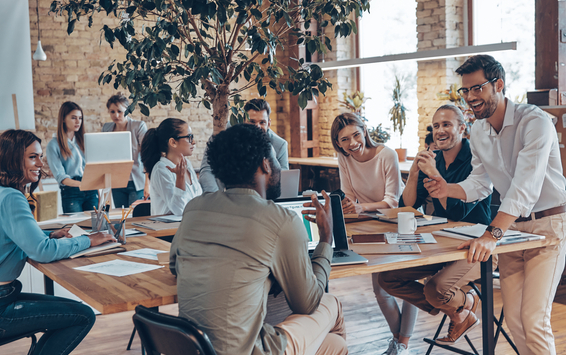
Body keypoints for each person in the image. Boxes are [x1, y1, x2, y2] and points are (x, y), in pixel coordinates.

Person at [423, 55, 566, 355]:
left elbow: (524, 187)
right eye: (465, 91)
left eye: (477, 89)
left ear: (498, 85)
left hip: (549, 227)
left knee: (534, 318)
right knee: (515, 321)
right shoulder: (478, 131)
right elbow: (480, 183)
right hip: (514, 230)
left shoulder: (534, 122)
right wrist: (448, 188)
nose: (470, 97)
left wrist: (491, 235)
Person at [170, 124, 347, 355]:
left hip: (195, 348)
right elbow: (307, 303)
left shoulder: (194, 209)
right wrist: (325, 238)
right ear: (265, 163)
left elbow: (175, 266)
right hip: (250, 351)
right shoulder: (280, 220)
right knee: (330, 303)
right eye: (274, 161)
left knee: (336, 347)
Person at [0, 130, 116, 355]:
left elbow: (17, 241)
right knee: (83, 316)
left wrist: (50, 236)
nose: (40, 164)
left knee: (74, 312)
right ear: (13, 158)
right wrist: (88, 240)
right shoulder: (11, 197)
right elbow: (42, 252)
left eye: (40, 156)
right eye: (33, 157)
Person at [378, 104, 493, 344]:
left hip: (476, 246)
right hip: (442, 242)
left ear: (462, 128)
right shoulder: (435, 159)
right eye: (437, 126)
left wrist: (433, 174)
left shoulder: (477, 161)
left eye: (447, 125)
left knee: (435, 290)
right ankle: (460, 309)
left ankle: (463, 303)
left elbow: (457, 212)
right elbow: (408, 206)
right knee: (387, 279)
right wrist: (413, 174)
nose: (440, 130)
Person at [330, 112, 413, 355]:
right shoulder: (344, 158)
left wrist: (359, 207)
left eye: (356, 135)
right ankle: (398, 341)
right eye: (344, 140)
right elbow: (348, 194)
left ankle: (403, 344)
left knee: (407, 285)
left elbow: (392, 201)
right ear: (338, 143)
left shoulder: (386, 155)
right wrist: (344, 205)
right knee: (380, 290)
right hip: (369, 224)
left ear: (364, 131)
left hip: (398, 223)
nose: (352, 143)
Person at [199, 98, 289, 193]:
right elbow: (207, 168)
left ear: (269, 124)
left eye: (262, 122)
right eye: (252, 122)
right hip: (225, 194)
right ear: (242, 121)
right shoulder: (225, 131)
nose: (257, 127)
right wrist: (214, 197)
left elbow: (281, 179)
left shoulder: (280, 145)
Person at [141, 118, 202, 216]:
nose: (193, 142)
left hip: (191, 225)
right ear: (173, 142)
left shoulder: (188, 164)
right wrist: (180, 179)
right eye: (189, 137)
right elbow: (179, 210)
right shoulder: (161, 169)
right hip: (170, 230)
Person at [46, 101, 98, 212]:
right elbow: (60, 176)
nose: (78, 121)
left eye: (80, 118)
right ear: (63, 119)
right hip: (71, 191)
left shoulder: (84, 141)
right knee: (76, 227)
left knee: (95, 225)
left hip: (91, 189)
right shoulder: (53, 145)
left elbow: (93, 166)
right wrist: (81, 184)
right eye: (74, 118)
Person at [102, 93, 148, 208]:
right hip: (117, 181)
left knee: (134, 216)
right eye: (112, 111)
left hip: (136, 181)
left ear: (127, 110)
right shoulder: (106, 128)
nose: (116, 115)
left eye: (120, 111)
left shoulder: (139, 126)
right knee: (120, 217)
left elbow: (146, 154)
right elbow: (104, 154)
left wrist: (148, 183)